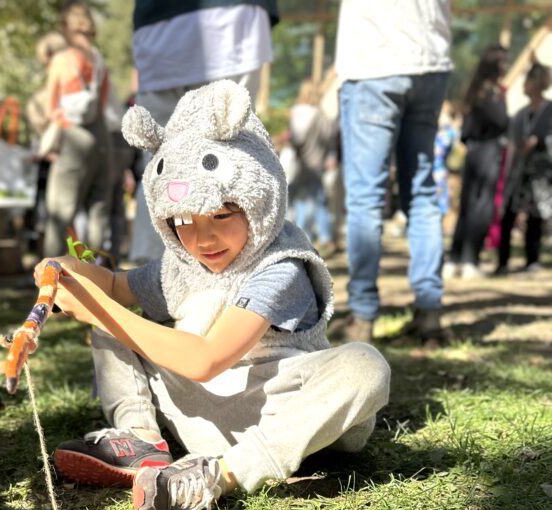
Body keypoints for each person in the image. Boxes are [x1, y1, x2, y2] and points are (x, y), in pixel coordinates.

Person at [31, 80, 390, 510]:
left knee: (365, 366)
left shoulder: (281, 266)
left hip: (284, 416)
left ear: (259, 201)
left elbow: (207, 359)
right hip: (201, 413)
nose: (204, 239)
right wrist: (68, 269)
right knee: (114, 320)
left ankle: (219, 475)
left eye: (222, 215)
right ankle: (142, 440)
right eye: (183, 220)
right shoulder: (179, 264)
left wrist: (100, 307)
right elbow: (115, 287)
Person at [334, 0, 452, 345]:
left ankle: (363, 316)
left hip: (374, 57)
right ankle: (430, 313)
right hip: (431, 57)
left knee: (366, 198)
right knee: (422, 193)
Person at [128, 0, 278, 264]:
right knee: (230, 152)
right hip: (229, 22)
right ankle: (238, 273)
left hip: (158, 28)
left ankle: (151, 273)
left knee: (159, 159)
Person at [42, 1, 112, 258]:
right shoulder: (100, 61)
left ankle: (51, 275)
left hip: (73, 137)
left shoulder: (62, 60)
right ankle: (94, 275)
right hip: (100, 136)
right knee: (98, 209)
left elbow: (51, 106)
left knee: (59, 212)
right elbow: (102, 104)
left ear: (65, 27)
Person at [444, 45, 509, 279]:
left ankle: (455, 258)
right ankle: (470, 260)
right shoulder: (492, 92)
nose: (507, 66)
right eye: (504, 62)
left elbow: (466, 127)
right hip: (488, 150)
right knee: (481, 207)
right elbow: (501, 122)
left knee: (467, 205)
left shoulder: (473, 89)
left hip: (472, 150)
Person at [496, 62, 552, 275]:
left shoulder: (549, 110)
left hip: (541, 173)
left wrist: (537, 143)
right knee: (509, 212)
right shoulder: (520, 114)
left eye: (527, 81)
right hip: (519, 169)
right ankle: (503, 261)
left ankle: (532, 260)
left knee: (536, 216)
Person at [287, 79, 338, 253]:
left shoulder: (295, 112)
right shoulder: (320, 115)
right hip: (316, 162)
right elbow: (329, 137)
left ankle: (295, 236)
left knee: (296, 200)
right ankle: (323, 237)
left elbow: (294, 139)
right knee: (317, 200)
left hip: (299, 163)